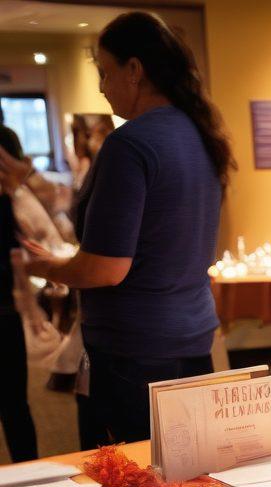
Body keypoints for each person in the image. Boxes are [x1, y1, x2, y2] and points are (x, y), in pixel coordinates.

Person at [21, 11, 234, 444]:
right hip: (192, 336)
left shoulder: (130, 144)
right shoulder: (202, 135)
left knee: (130, 471)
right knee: (187, 463)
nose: (102, 87)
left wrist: (44, 267)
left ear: (134, 70)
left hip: (134, 351)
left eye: (105, 72)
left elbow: (106, 268)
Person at [0, 126, 38, 462]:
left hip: (6, 313)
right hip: (6, 313)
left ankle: (30, 477)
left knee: (15, 406)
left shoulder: (15, 201)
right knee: (15, 406)